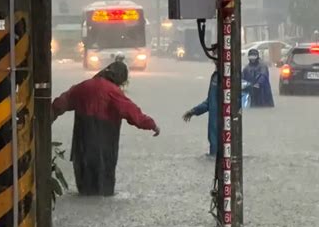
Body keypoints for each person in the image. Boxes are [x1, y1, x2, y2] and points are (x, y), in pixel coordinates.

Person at [52, 61, 160, 196]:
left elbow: (62, 102)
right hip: (105, 142)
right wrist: (152, 124)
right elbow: (132, 112)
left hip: (81, 142)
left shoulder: (83, 86)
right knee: (103, 186)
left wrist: (49, 116)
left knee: (84, 183)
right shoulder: (113, 91)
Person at [183, 69, 219, 157]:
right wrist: (194, 111)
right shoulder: (215, 76)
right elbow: (211, 101)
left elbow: (237, 100)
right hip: (214, 135)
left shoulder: (230, 76)